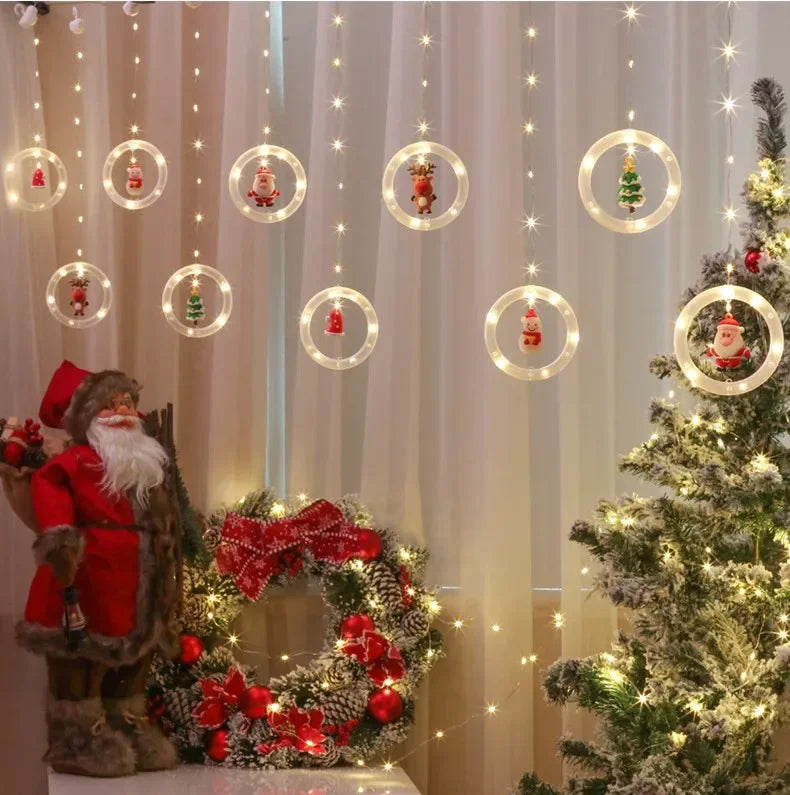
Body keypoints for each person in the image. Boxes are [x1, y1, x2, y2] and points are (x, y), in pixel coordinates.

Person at [15, 361, 180, 776]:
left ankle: (128, 725)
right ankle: (77, 738)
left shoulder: (145, 464)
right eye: (110, 404)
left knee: (133, 654)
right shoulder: (73, 462)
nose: (123, 409)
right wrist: (61, 541)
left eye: (127, 401)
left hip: (137, 581)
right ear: (87, 418)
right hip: (87, 575)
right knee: (81, 658)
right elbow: (49, 492)